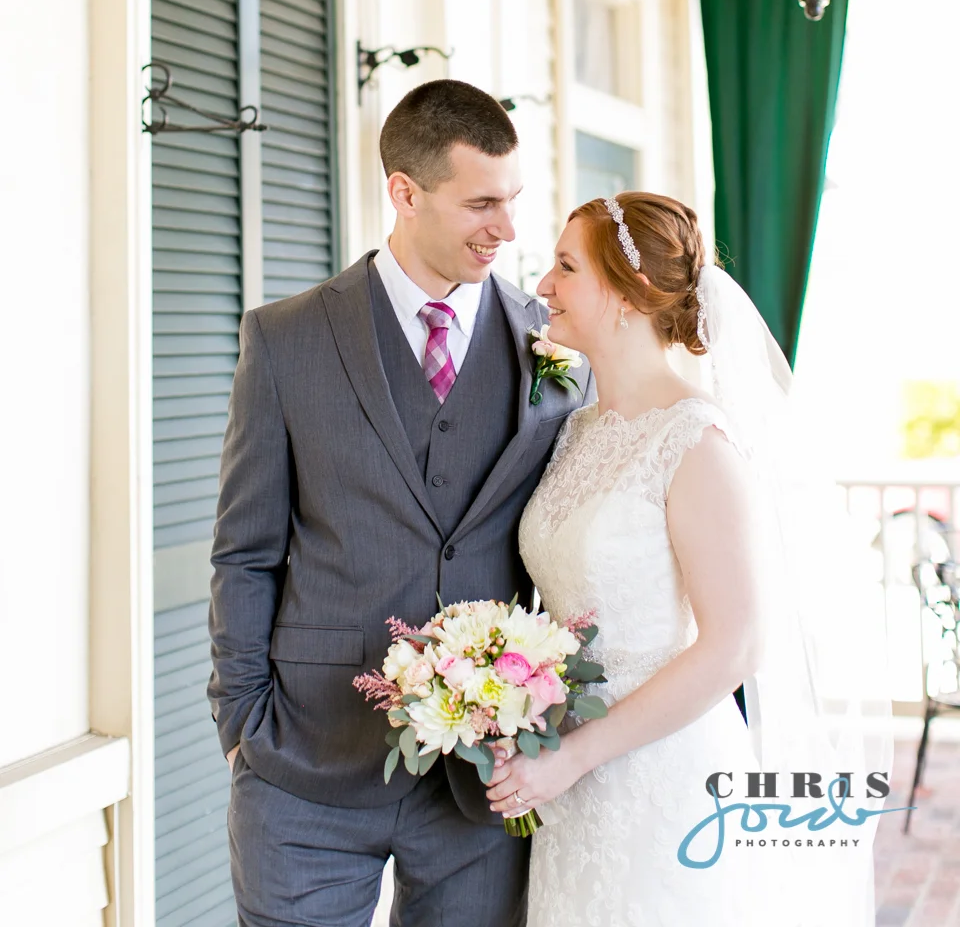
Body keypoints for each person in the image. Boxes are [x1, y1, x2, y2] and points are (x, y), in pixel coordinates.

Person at [208, 79, 591, 927]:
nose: (507, 229)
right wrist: (242, 724)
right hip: (305, 766)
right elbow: (245, 551)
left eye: (513, 200)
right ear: (405, 192)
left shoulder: (555, 349)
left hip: (480, 784)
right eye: (481, 204)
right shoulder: (285, 338)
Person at [486, 191, 888, 926]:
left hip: (661, 780)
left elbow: (736, 646)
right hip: (567, 787)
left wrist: (574, 757)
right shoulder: (576, 429)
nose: (542, 285)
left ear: (628, 292)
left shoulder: (697, 441)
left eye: (566, 267)